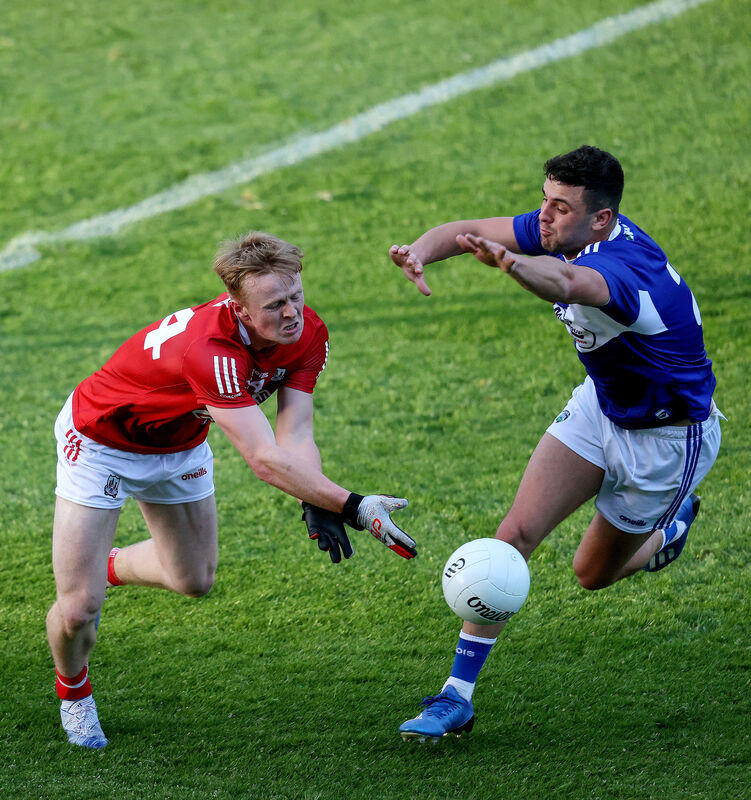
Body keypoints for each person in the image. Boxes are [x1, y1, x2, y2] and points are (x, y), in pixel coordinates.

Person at [389, 145, 722, 742]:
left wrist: (513, 266)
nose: (543, 218)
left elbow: (568, 281)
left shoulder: (621, 270)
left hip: (666, 439)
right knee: (512, 537)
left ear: (601, 219)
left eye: (559, 208)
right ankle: (455, 696)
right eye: (544, 201)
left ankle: (669, 530)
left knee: (591, 574)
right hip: (602, 406)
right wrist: (420, 252)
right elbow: (463, 229)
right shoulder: (564, 228)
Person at [48, 231, 417, 749]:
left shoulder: (308, 332)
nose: (292, 313)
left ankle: (103, 566)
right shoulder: (211, 350)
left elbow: (295, 433)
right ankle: (74, 692)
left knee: (194, 579)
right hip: (101, 440)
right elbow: (264, 459)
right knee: (77, 609)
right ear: (239, 310)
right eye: (274, 305)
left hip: (179, 444)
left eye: (296, 296)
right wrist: (352, 505)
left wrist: (314, 495)